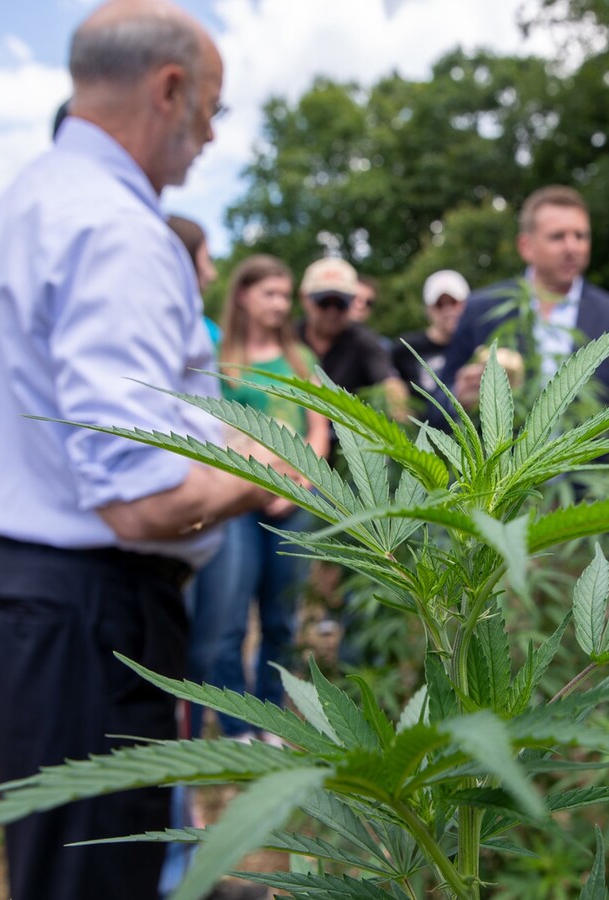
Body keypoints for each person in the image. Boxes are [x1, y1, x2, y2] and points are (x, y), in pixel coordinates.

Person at [0, 4, 279, 897]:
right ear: (168, 91)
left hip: (37, 600)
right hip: (92, 611)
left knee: (68, 867)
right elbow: (141, 496)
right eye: (211, 110)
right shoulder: (117, 231)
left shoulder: (31, 202)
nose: (210, 136)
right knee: (97, 877)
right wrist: (265, 471)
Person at [190, 255, 328, 740]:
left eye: (283, 295)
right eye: (268, 293)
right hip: (237, 505)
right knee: (228, 617)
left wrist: (301, 484)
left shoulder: (300, 360)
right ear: (243, 296)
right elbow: (214, 433)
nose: (278, 304)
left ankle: (270, 713)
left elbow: (318, 429)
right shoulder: (221, 361)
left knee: (281, 617)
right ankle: (235, 725)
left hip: (291, 502)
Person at [437, 185, 609, 422]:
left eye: (580, 236)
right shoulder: (482, 309)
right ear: (525, 246)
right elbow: (437, 404)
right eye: (557, 236)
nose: (572, 247)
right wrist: (457, 398)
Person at [295, 257, 407, 418]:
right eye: (324, 302)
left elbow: (390, 384)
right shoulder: (288, 338)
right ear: (304, 298)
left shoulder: (363, 341)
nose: (332, 311)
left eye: (341, 303)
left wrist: (399, 416)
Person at [392, 269, 469, 393]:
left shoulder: (476, 345)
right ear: (428, 309)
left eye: (454, 302)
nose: (448, 310)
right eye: (439, 304)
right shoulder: (406, 348)